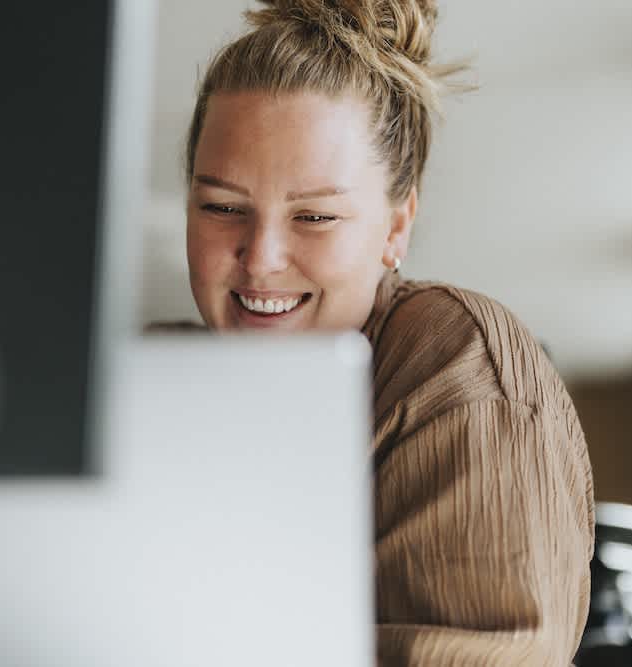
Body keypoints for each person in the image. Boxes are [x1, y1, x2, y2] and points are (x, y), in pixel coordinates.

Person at [160, 1, 595, 664]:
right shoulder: (148, 381)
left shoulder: (458, 367)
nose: (260, 257)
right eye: (222, 207)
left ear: (397, 225)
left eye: (314, 216)